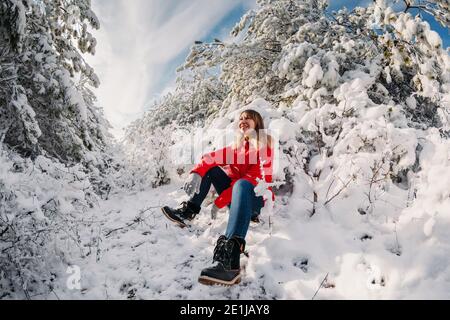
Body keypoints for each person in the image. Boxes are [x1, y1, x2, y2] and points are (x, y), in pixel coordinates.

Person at [161, 109, 274, 286]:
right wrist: (196, 172)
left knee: (242, 184)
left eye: (248, 119)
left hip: (255, 200)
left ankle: (230, 264)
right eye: (241, 118)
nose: (243, 121)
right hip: (235, 195)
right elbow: (209, 158)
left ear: (257, 123)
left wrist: (220, 201)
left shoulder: (264, 146)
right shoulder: (236, 148)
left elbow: (257, 179)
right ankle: (189, 211)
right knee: (210, 169)